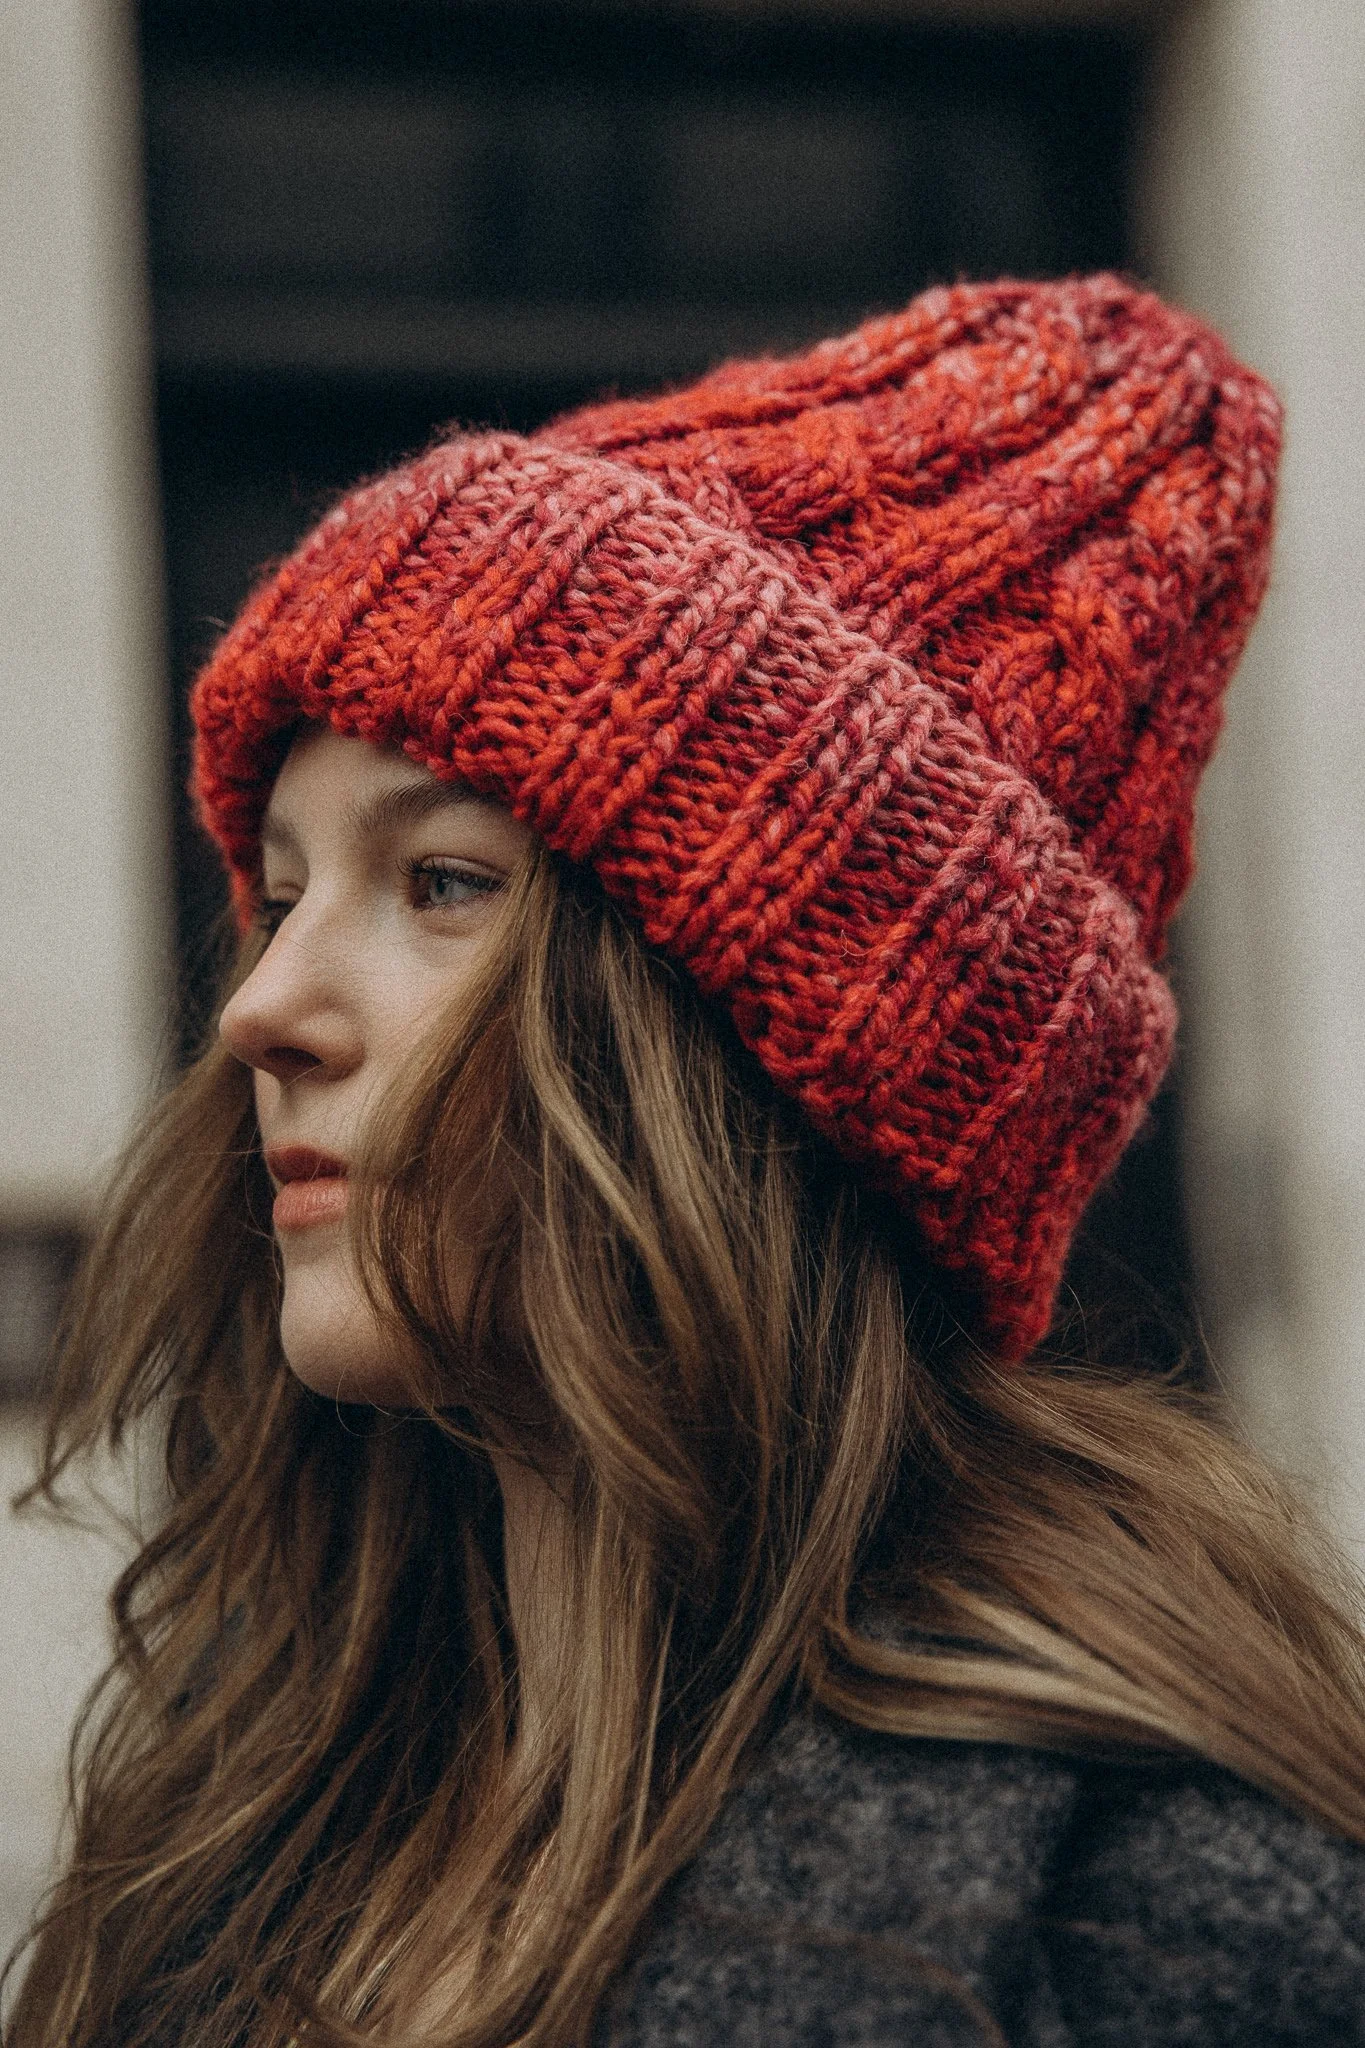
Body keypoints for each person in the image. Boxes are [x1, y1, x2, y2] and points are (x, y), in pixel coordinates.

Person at [8, 274, 1365, 2048]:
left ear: (774, 1060)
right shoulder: (245, 1799)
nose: (264, 1004)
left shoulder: (1157, 1924)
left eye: (445, 884)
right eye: (278, 890)